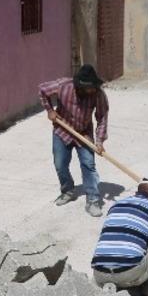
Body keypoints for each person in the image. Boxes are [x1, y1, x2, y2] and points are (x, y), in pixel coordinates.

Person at [38, 64, 109, 217]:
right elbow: (42, 90)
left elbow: (102, 117)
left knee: (88, 165)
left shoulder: (98, 94)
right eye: (89, 88)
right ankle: (68, 190)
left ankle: (92, 200)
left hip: (84, 133)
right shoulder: (63, 86)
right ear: (79, 86)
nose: (92, 90)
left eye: (94, 87)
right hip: (62, 130)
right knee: (60, 164)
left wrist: (99, 141)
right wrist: (50, 110)